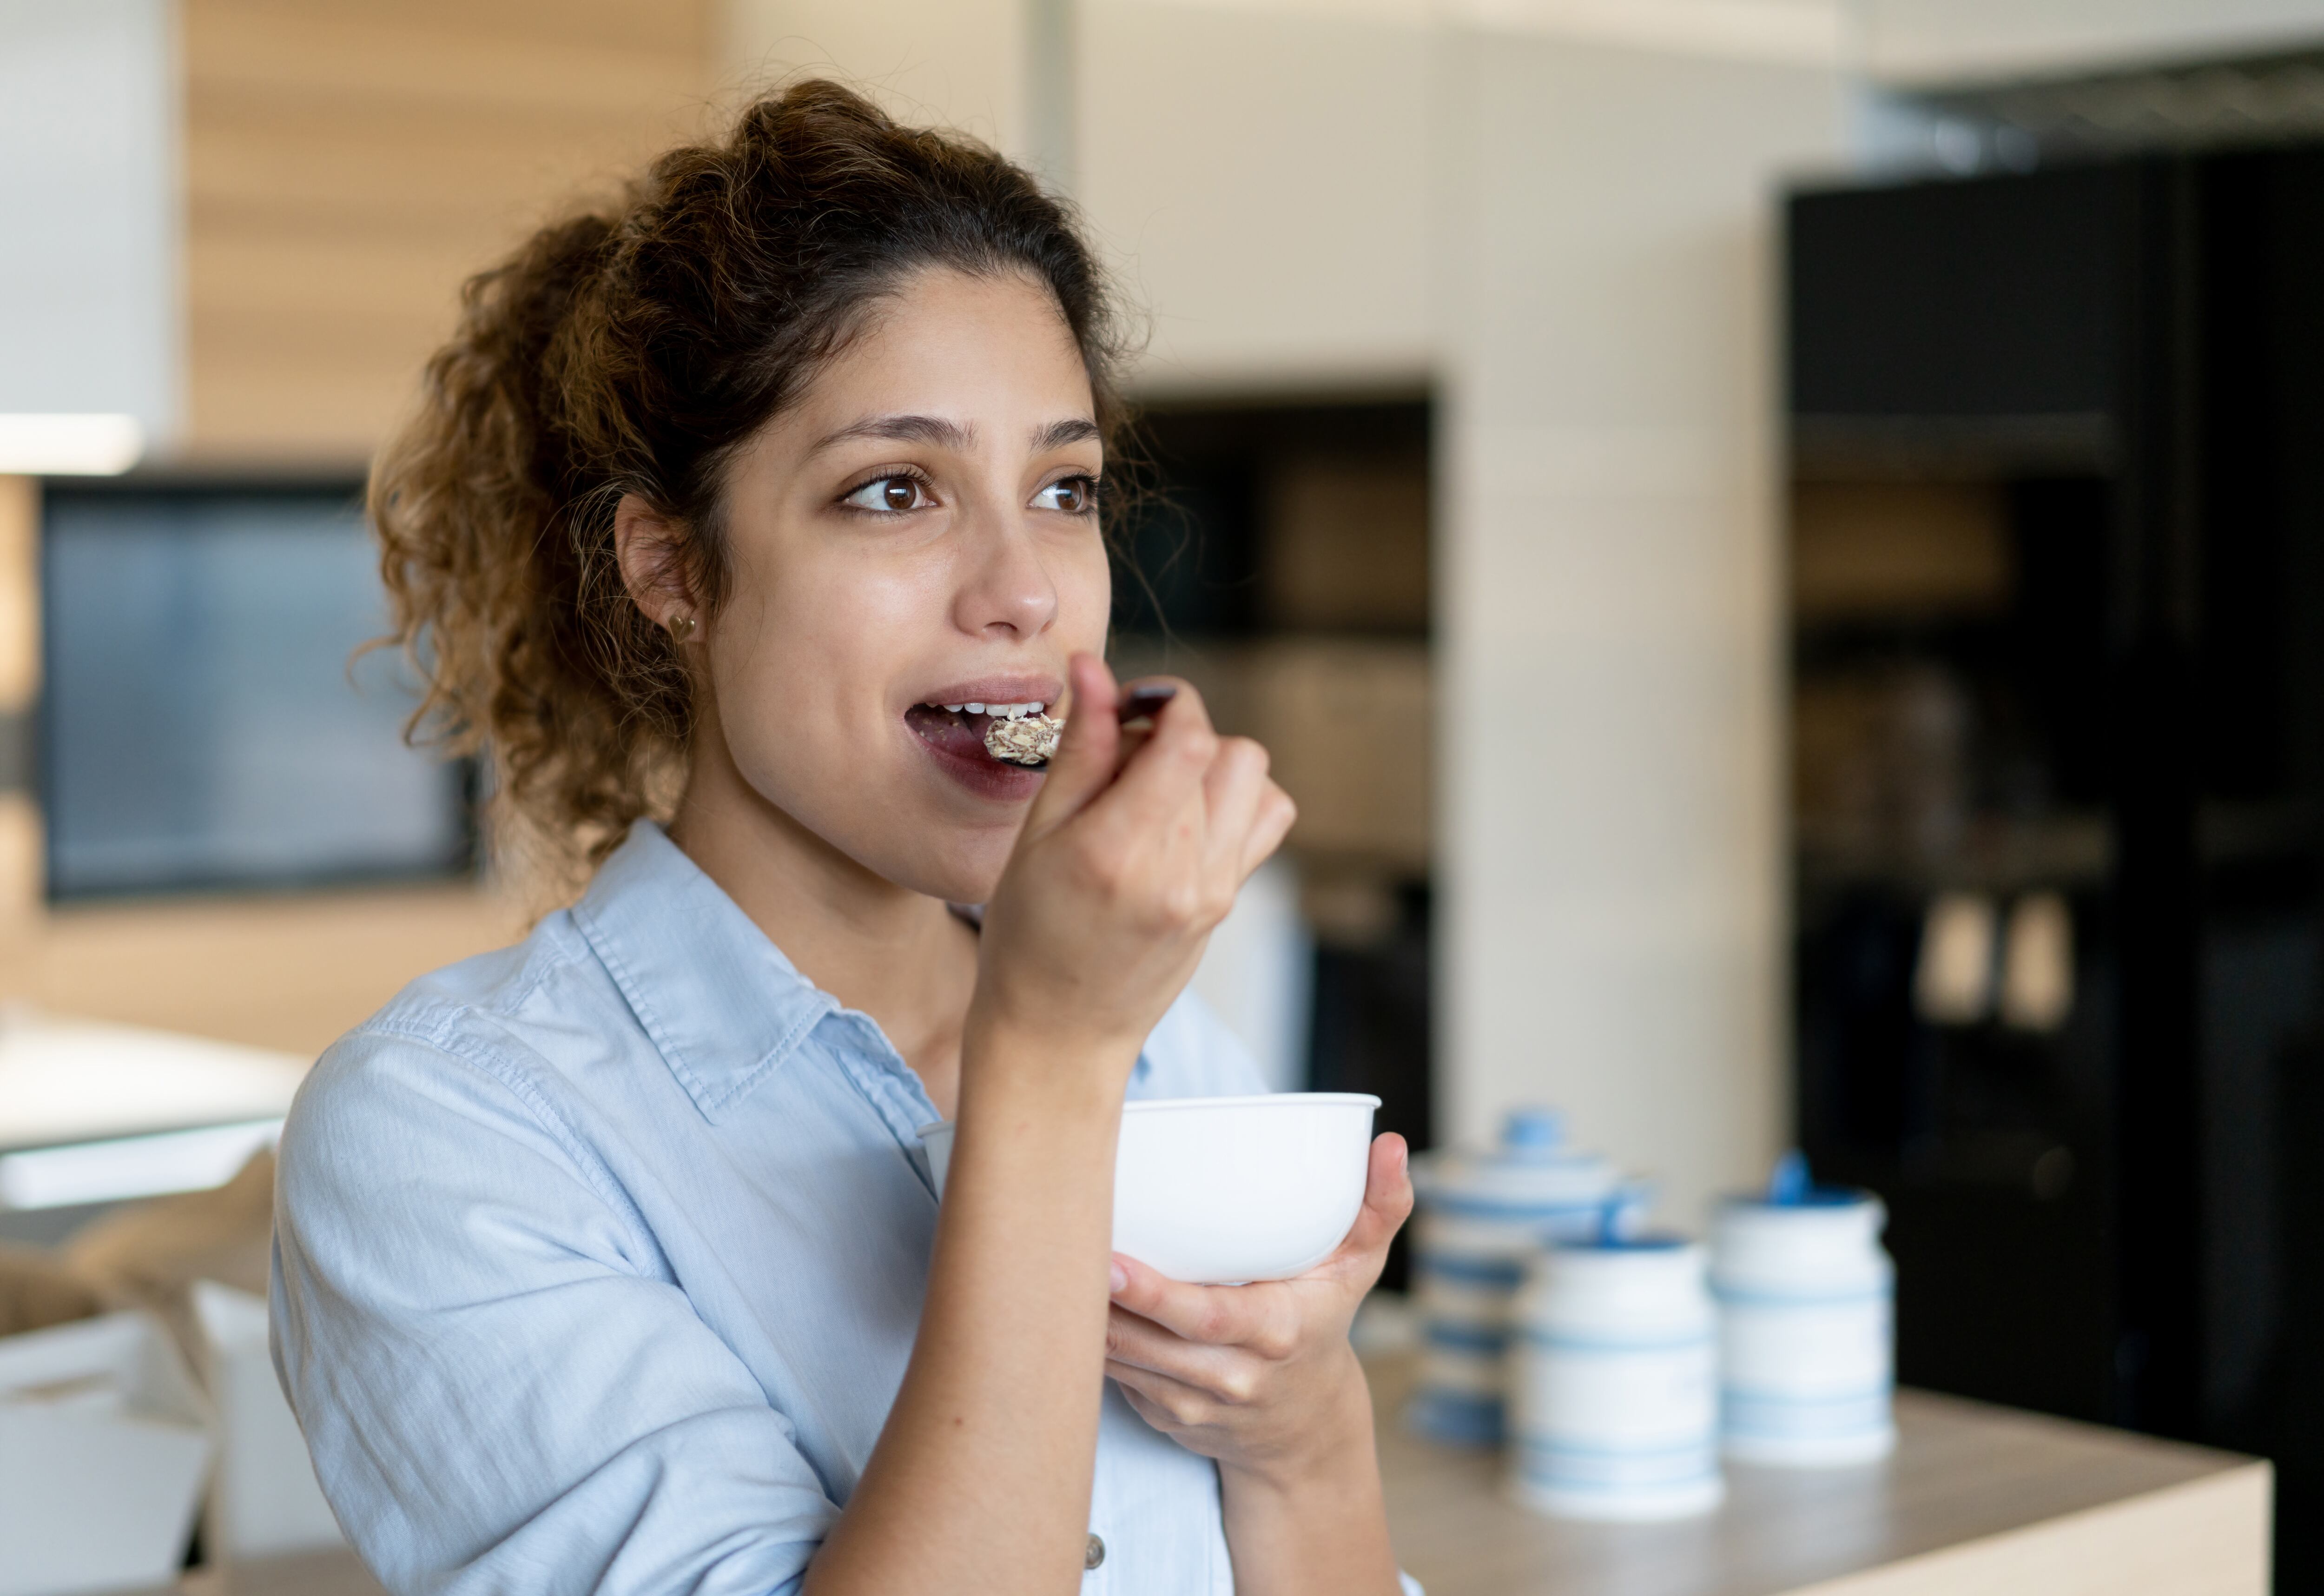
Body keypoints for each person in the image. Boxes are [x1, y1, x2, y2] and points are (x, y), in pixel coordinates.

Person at [269, 80, 1417, 1596]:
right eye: (895, 490)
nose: (1025, 588)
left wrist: (1304, 1432)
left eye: (1063, 489)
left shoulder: (1169, 1061)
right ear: (674, 570)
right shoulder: (447, 1141)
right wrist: (1053, 1054)